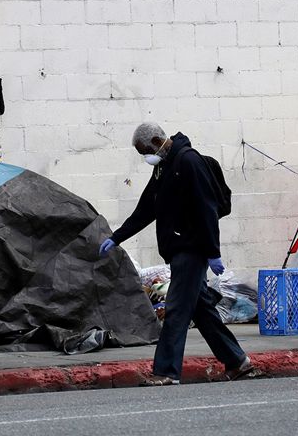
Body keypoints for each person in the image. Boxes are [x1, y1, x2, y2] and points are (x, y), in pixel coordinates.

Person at [99, 122, 259, 386]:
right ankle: (238, 362)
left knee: (175, 310)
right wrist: (117, 237)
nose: (144, 158)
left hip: (192, 249)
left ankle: (166, 372)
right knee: (202, 311)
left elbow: (206, 208)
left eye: (144, 151)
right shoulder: (164, 167)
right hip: (180, 250)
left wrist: (212, 252)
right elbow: (146, 208)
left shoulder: (188, 162)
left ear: (155, 140)